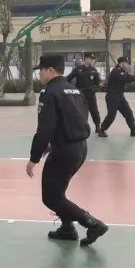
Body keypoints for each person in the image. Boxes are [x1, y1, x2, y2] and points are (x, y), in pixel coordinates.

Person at [28, 54, 108, 246]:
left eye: (41, 70)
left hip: (64, 151)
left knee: (50, 198)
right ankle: (67, 228)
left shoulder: (49, 93)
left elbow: (44, 129)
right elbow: (77, 119)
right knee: (58, 192)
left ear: (50, 70)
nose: (39, 74)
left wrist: (34, 158)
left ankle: (92, 223)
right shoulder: (75, 91)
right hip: (80, 147)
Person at [98, 56, 135, 137]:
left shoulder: (122, 71)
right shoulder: (116, 71)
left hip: (120, 97)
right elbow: (126, 79)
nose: (128, 65)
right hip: (112, 97)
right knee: (111, 115)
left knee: (128, 113)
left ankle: (133, 131)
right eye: (127, 63)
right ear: (122, 63)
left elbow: (128, 77)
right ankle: (102, 130)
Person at [65, 52, 102, 134]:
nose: (92, 60)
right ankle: (81, 127)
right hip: (80, 95)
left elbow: (98, 82)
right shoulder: (78, 69)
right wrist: (71, 89)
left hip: (91, 95)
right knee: (81, 112)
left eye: (92, 59)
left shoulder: (94, 70)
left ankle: (97, 126)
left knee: (94, 111)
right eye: (91, 59)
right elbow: (68, 78)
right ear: (86, 59)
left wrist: (95, 88)